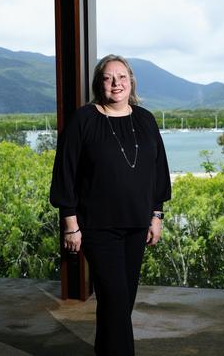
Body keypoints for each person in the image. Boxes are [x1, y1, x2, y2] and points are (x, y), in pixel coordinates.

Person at [50, 54, 171, 356]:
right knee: (115, 298)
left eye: (122, 77)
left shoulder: (145, 120)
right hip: (96, 227)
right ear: (98, 84)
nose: (116, 84)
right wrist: (70, 225)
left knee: (120, 302)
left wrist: (156, 214)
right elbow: (65, 173)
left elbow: (158, 170)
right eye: (108, 78)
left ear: (131, 82)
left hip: (136, 225)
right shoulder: (84, 120)